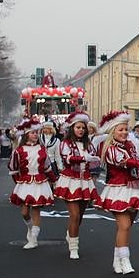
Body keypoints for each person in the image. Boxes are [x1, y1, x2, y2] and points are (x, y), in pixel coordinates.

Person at [96, 111, 139, 275]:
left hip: (134, 189)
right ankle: (125, 260)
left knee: (127, 226)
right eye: (120, 130)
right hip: (118, 190)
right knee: (124, 225)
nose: (124, 132)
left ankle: (117, 259)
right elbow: (122, 162)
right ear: (112, 132)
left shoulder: (130, 146)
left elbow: (136, 164)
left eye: (126, 129)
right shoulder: (109, 148)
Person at [53, 111, 102, 259]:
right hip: (71, 180)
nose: (81, 130)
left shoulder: (89, 144)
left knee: (80, 215)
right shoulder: (65, 143)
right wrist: (82, 158)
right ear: (72, 128)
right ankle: (74, 247)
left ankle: (71, 234)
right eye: (78, 127)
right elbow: (67, 158)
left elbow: (94, 159)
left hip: (85, 180)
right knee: (74, 215)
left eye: (83, 127)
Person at [8, 118, 57, 249]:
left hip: (40, 182)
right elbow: (13, 168)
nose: (35, 135)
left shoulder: (42, 149)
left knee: (36, 209)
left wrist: (54, 180)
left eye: (36, 132)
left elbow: (47, 167)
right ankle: (30, 229)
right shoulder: (19, 151)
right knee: (24, 212)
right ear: (26, 135)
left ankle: (34, 238)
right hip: (25, 182)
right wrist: (18, 183)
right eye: (32, 132)